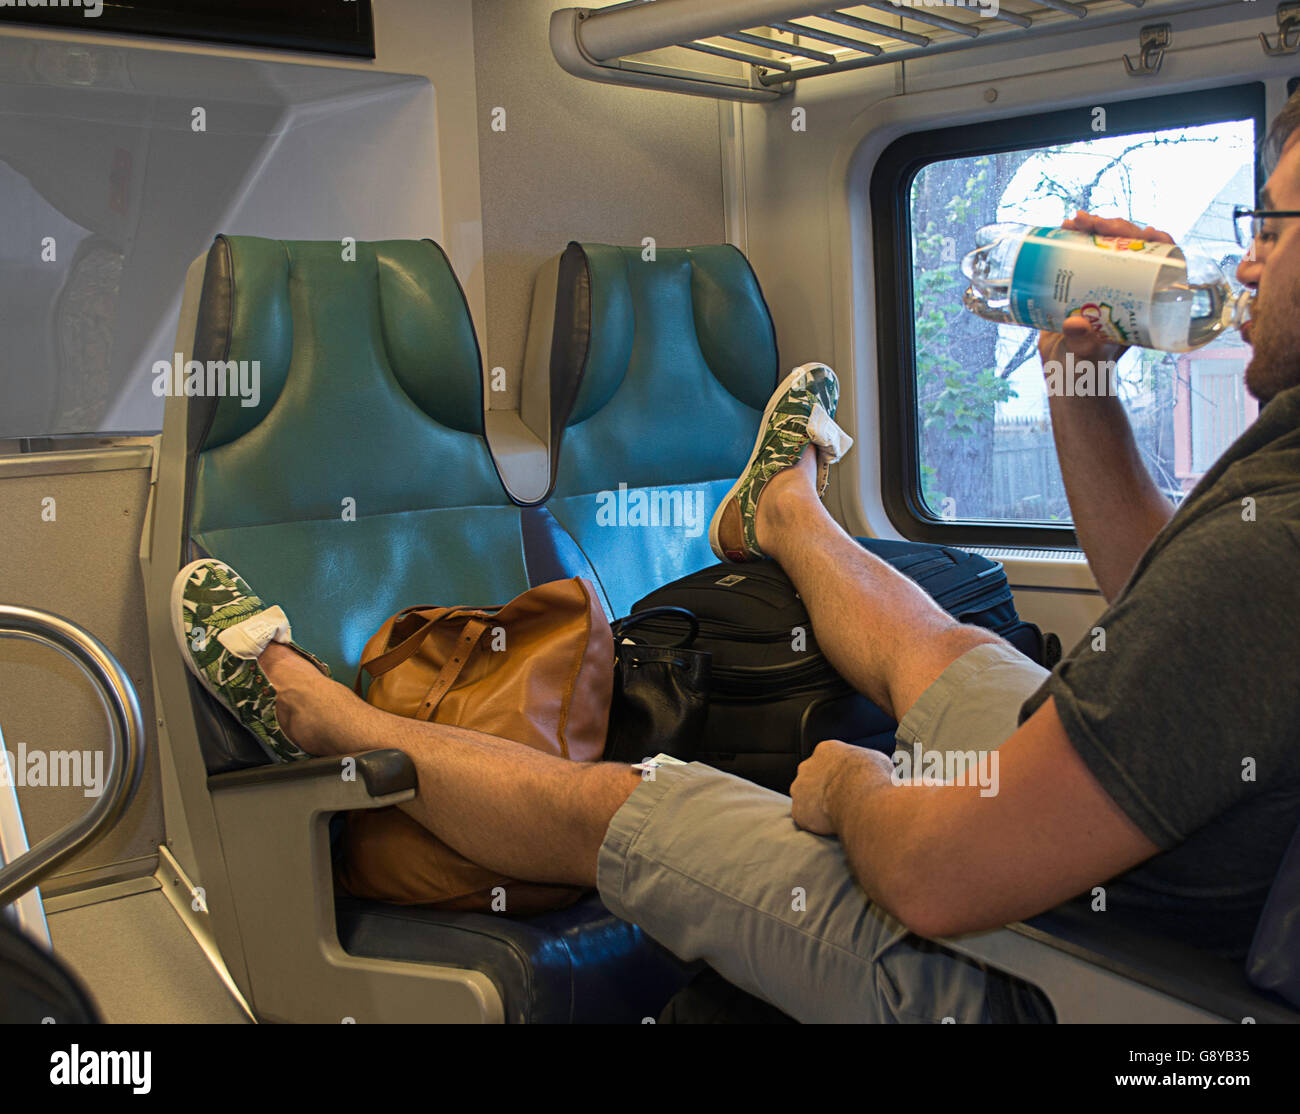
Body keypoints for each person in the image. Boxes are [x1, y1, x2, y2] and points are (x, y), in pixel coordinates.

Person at [168, 98, 1300, 1024]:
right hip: (1139, 842)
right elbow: (1167, 601)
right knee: (943, 651)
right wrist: (1077, 373)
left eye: (1279, 228)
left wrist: (859, 785)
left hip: (1071, 957)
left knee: (629, 800)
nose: (1244, 263)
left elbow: (935, 873)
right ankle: (784, 515)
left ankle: (322, 718)